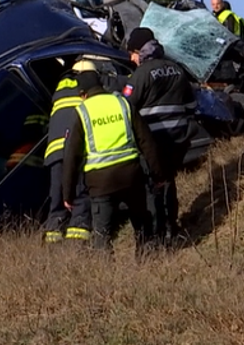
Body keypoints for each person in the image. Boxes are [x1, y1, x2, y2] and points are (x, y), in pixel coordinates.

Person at [62, 70, 165, 253]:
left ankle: (106, 275)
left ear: (82, 94)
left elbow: (72, 157)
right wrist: (157, 174)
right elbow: (146, 141)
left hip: (100, 184)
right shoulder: (122, 103)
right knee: (142, 229)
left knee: (102, 237)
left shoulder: (82, 111)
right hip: (132, 177)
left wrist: (68, 194)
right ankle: (148, 263)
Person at [122, 27, 198, 244]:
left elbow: (126, 107)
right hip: (178, 139)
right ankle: (171, 227)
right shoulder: (176, 68)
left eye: (132, 53)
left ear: (140, 50)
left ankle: (157, 233)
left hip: (153, 141)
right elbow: (192, 104)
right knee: (168, 182)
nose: (131, 58)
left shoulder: (141, 74)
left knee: (153, 185)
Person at [43, 59, 95, 244]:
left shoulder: (59, 89)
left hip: (54, 153)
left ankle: (53, 241)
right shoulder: (87, 89)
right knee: (80, 195)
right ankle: (77, 242)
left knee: (57, 200)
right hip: (76, 150)